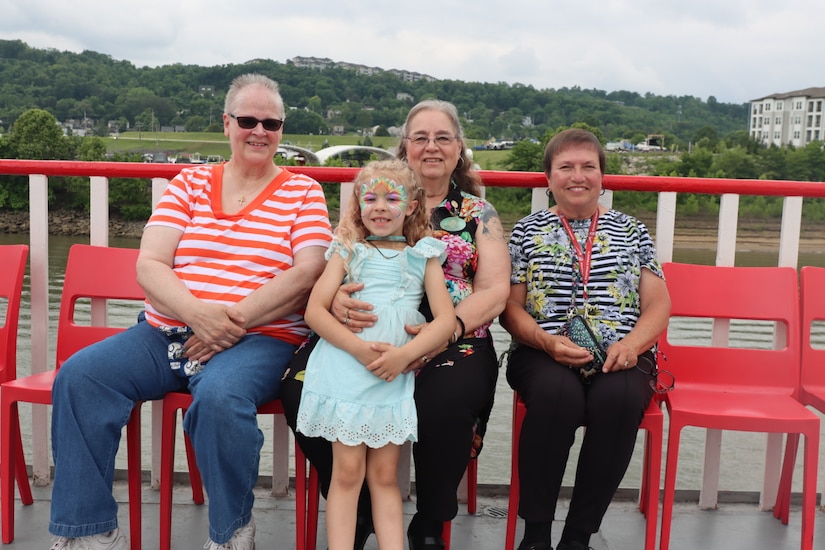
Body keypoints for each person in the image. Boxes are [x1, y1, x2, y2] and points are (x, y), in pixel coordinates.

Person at [48, 73, 333, 550]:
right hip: (166, 333)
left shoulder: (302, 194)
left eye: (271, 122)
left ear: (282, 129)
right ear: (227, 123)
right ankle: (90, 531)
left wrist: (231, 322)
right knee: (80, 378)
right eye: (248, 120)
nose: (259, 131)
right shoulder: (190, 183)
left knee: (221, 399)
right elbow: (150, 265)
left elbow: (308, 272)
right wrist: (199, 315)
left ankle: (230, 533)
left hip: (261, 338)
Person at [282, 99, 511, 550]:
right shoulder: (367, 218)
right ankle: (357, 501)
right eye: (420, 137)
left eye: (442, 137)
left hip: (453, 341)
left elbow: (495, 291)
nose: (431, 146)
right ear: (404, 147)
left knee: (444, 402)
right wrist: (338, 311)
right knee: (295, 384)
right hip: (359, 335)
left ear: (459, 148)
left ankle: (428, 522)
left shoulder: (477, 215)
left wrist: (432, 338)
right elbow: (327, 288)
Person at [499, 128, 671, 550]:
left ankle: (577, 537)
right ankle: (536, 533)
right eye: (566, 167)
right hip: (544, 350)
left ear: (602, 176)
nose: (578, 176)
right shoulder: (526, 231)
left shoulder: (632, 230)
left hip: (621, 351)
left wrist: (631, 345)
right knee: (558, 395)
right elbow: (510, 309)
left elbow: (659, 304)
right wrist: (545, 342)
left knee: (620, 400)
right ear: (548, 177)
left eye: (588, 167)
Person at [296, 159, 456, 550]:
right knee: (347, 472)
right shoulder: (348, 251)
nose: (380, 207)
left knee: (385, 476)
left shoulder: (425, 256)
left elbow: (445, 321)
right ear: (358, 205)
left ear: (412, 207)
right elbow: (315, 311)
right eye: (370, 198)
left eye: (391, 198)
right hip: (346, 368)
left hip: (392, 374)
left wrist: (405, 357)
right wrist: (359, 350)